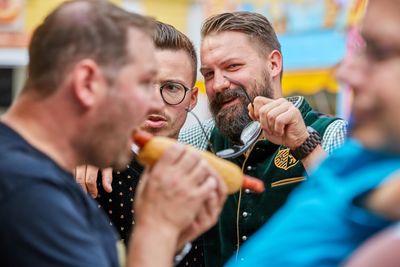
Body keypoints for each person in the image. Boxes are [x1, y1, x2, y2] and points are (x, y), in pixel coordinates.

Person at [0, 1, 227, 266]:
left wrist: (172, 243)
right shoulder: (27, 189)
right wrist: (157, 231)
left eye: (172, 88)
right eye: (142, 84)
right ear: (87, 83)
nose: (155, 104)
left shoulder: (31, 172)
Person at [225, 0, 400, 265]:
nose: (345, 72)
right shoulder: (363, 152)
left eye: (380, 51)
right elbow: (330, 193)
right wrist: (302, 142)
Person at [195, 11, 347, 266]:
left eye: (233, 66)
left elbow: (354, 217)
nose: (218, 84)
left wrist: (304, 144)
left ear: (273, 64)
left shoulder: (333, 133)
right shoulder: (199, 138)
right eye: (209, 73)